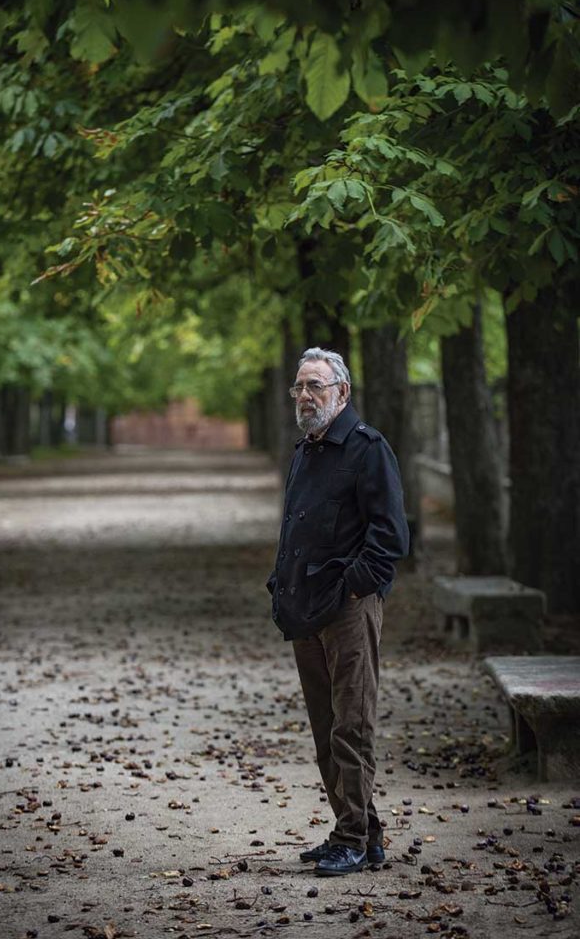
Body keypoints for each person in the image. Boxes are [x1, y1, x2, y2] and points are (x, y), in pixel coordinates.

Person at [266, 346, 409, 876]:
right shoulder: (306, 450)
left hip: (349, 611)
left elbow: (391, 536)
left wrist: (354, 588)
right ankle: (361, 832)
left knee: (352, 726)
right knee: (327, 727)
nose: (305, 397)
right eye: (299, 387)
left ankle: (351, 836)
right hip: (305, 609)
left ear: (341, 392)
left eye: (315, 387)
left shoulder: (368, 449)